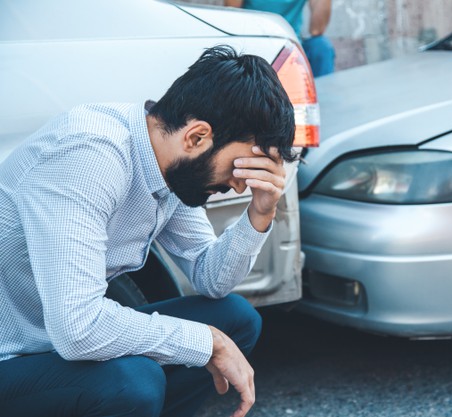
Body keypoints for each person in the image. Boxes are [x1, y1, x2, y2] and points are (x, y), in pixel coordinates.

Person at [0, 45, 296, 417]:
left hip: (51, 341)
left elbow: (212, 279)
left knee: (236, 319)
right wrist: (206, 342)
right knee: (132, 380)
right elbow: (79, 327)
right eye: (239, 166)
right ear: (197, 137)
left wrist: (260, 213)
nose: (240, 185)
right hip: (10, 352)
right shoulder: (90, 156)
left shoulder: (168, 163)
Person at [225, 0, 335, 77]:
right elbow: (232, 14)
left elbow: (317, 29)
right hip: (252, 42)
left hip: (291, 45)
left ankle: (321, 105)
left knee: (321, 47)